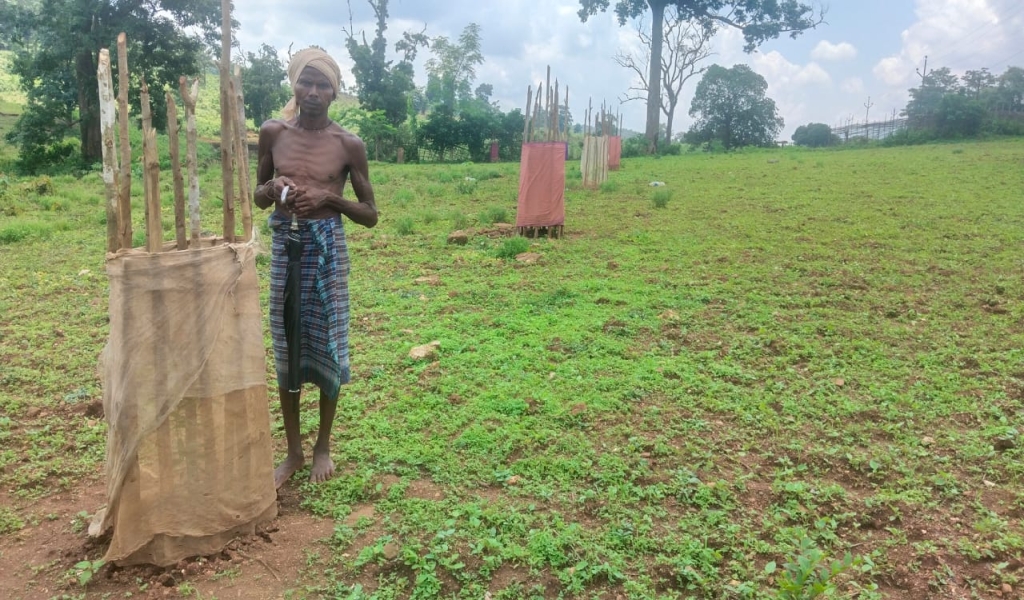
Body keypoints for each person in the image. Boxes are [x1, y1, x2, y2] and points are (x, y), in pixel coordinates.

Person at [254, 47, 378, 488]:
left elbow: (370, 214)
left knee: (328, 342)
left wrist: (330, 198)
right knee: (286, 343)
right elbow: (258, 196)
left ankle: (322, 445)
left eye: (322, 85)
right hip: (286, 246)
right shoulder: (272, 133)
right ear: (294, 85)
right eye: (305, 82)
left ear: (334, 92)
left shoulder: (348, 145)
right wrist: (273, 186)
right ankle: (293, 451)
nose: (312, 92)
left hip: (328, 249)